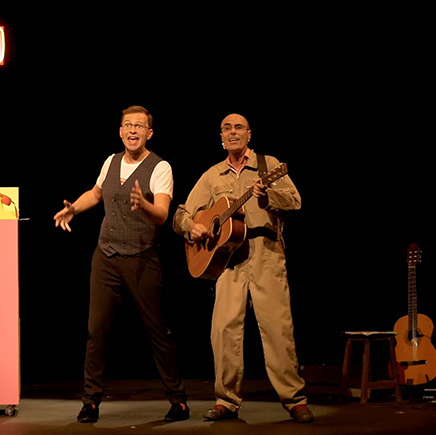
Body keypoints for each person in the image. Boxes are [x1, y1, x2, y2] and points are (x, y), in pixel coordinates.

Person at [173, 113, 314, 423]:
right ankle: (226, 400)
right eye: (227, 128)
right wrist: (191, 227)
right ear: (221, 138)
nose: (233, 132)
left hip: (266, 255)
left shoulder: (268, 165)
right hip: (229, 261)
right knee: (223, 331)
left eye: (239, 128)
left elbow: (294, 202)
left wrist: (267, 197)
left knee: (278, 330)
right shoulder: (213, 175)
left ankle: (294, 400)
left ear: (249, 135)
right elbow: (181, 213)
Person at [54, 105, 189, 423]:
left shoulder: (160, 167)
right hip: (106, 256)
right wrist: (74, 208)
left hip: (141, 257)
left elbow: (162, 214)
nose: (133, 130)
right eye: (128, 125)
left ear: (149, 133)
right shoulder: (111, 161)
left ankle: (178, 401)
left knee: (157, 330)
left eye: (139, 126)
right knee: (96, 329)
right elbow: (96, 193)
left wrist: (144, 205)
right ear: (120, 131)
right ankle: (90, 401)